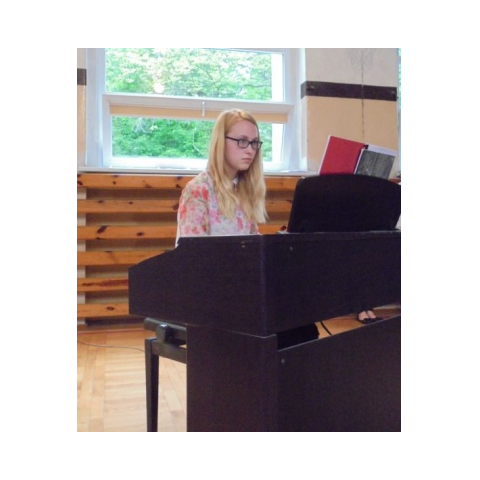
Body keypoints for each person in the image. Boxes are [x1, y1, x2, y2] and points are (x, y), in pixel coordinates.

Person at [176, 108, 319, 348]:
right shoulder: (198, 190)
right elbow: (193, 262)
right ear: (220, 142)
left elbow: (252, 248)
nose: (250, 150)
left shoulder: (242, 191)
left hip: (242, 291)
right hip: (212, 299)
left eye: (254, 143)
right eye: (242, 141)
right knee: (290, 330)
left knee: (303, 324)